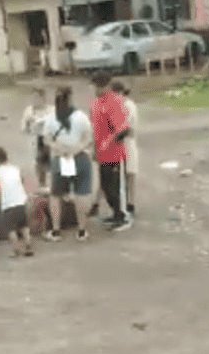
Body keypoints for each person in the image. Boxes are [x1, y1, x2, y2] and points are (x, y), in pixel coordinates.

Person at [42, 86, 94, 242]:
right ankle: (82, 230)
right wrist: (76, 148)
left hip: (60, 158)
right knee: (81, 193)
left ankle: (56, 230)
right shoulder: (80, 117)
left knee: (56, 195)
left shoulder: (51, 118)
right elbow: (89, 137)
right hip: (80, 157)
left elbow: (47, 139)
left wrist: (60, 148)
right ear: (70, 98)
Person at [89, 70, 133, 232]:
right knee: (106, 186)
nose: (96, 90)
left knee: (116, 186)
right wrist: (95, 148)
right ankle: (115, 213)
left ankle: (122, 215)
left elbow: (123, 128)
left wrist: (110, 140)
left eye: (99, 86)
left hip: (114, 153)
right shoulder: (96, 104)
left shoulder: (114, 102)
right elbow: (95, 129)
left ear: (106, 86)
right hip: (102, 154)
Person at [0, 146, 34, 258]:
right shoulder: (15, 169)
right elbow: (21, 181)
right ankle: (28, 245)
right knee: (24, 226)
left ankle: (16, 249)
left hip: (9, 205)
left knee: (10, 229)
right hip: (21, 202)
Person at [112, 81, 140, 218]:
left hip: (126, 140)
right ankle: (127, 202)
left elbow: (127, 126)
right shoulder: (123, 105)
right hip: (123, 140)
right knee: (125, 173)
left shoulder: (127, 105)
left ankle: (130, 202)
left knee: (129, 172)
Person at [19, 86, 51, 190]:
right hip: (36, 140)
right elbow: (23, 128)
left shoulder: (51, 110)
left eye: (37, 97)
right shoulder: (29, 111)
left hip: (50, 140)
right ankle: (42, 185)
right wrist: (29, 123)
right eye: (33, 98)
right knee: (39, 164)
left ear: (43, 98)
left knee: (54, 164)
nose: (34, 100)